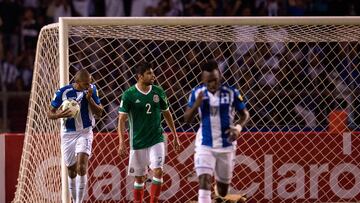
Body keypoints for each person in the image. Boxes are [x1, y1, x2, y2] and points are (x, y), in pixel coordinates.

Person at [184, 60, 250, 203]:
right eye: (209, 82)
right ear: (203, 79)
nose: (212, 84)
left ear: (219, 75)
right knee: (204, 180)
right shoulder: (197, 93)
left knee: (222, 190)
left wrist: (238, 128)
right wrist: (197, 104)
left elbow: (245, 114)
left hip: (226, 145)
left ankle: (218, 198)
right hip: (204, 144)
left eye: (215, 80)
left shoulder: (231, 93)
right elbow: (187, 119)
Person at [118, 61, 180, 203]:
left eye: (153, 72)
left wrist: (175, 135)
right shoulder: (129, 95)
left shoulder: (158, 91)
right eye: (149, 73)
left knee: (158, 170)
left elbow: (167, 113)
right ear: (140, 76)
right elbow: (121, 120)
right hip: (137, 141)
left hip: (156, 139)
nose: (153, 75)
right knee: (139, 178)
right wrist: (121, 142)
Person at [47, 69, 103, 203]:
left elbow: (100, 112)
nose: (88, 86)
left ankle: (79, 202)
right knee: (71, 170)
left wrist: (90, 100)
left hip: (85, 131)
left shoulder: (92, 90)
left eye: (89, 83)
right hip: (68, 134)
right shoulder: (63, 92)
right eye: (85, 84)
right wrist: (59, 115)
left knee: (82, 167)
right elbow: (50, 113)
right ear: (77, 82)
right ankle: (73, 199)